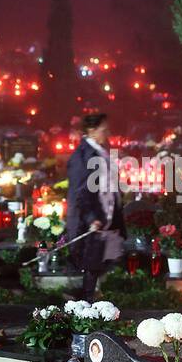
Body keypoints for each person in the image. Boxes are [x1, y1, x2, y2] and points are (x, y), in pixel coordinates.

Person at [66, 112, 126, 297]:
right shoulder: (82, 155)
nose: (107, 133)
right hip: (92, 218)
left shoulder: (100, 152)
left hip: (107, 215)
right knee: (93, 262)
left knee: (104, 259)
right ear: (91, 130)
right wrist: (92, 218)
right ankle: (83, 299)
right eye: (104, 130)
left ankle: (88, 296)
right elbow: (80, 191)